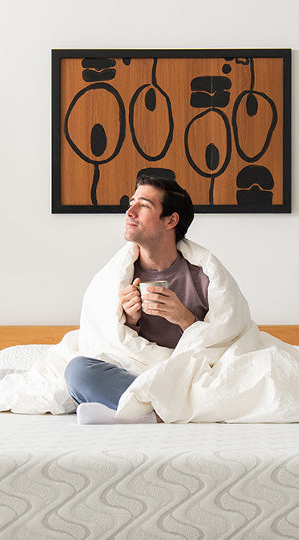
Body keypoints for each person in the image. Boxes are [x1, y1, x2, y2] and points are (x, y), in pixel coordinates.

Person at [64, 172, 210, 424]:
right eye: (132, 202)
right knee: (78, 372)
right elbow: (108, 345)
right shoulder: (114, 278)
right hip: (135, 376)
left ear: (170, 220)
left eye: (144, 205)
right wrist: (128, 321)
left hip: (184, 378)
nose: (130, 211)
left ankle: (139, 413)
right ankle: (159, 413)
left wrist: (185, 319)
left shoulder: (204, 277)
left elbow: (224, 345)